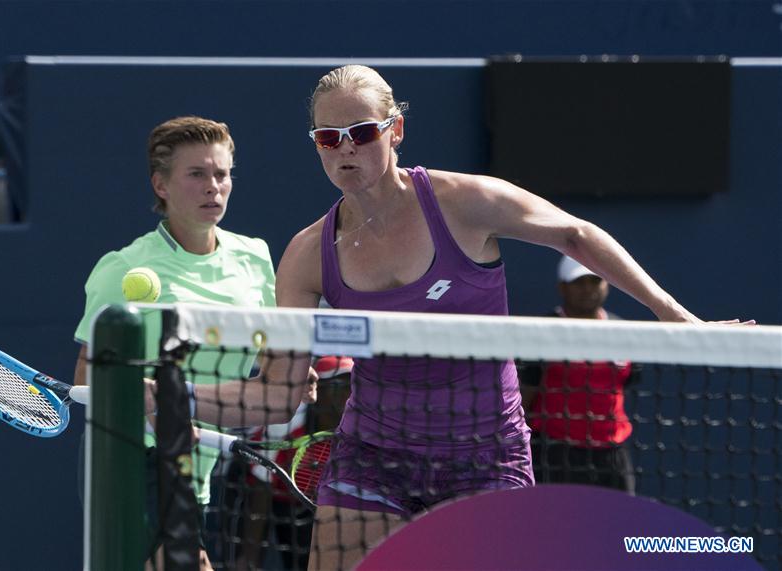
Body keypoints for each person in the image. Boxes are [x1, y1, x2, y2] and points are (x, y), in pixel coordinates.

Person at [188, 64, 749, 571]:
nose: (344, 149)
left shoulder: (463, 203)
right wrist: (169, 394)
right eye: (328, 138)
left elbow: (576, 234)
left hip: (485, 455)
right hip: (374, 455)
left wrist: (677, 317)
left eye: (361, 132)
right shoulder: (307, 254)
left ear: (395, 131)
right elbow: (280, 394)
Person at [73, 116, 277, 570]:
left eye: (222, 174)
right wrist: (148, 403)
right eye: (197, 174)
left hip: (198, 465)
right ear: (161, 185)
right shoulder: (123, 269)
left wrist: (300, 378)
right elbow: (89, 376)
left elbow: (274, 360)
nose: (214, 187)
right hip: (130, 458)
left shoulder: (254, 259)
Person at [519, 255, 641, 494]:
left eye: (595, 281)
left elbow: (624, 385)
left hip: (612, 455)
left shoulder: (625, 332)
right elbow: (525, 396)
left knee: (621, 526)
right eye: (579, 282)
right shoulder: (542, 333)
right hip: (554, 453)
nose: (588, 289)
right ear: (563, 288)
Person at [236, 356, 353, 571]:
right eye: (339, 385)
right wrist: (248, 558)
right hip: (286, 510)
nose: (347, 394)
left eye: (351, 385)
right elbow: (261, 492)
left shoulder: (363, 429)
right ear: (321, 390)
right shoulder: (285, 427)